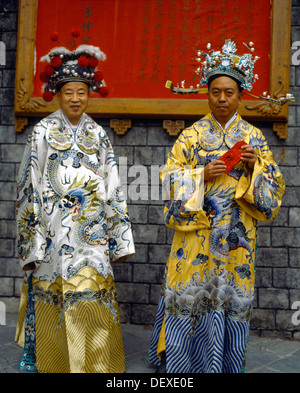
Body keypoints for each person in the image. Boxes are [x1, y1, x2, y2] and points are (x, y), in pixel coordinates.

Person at [148, 40, 285, 373]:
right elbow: (167, 179)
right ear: (206, 94)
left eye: (229, 92)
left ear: (240, 95)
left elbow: (275, 189)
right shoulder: (191, 137)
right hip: (195, 236)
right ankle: (182, 367)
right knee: (189, 296)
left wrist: (255, 168)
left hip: (237, 237)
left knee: (229, 299)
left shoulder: (254, 138)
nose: (222, 99)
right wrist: (200, 175)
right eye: (215, 92)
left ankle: (224, 364)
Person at [15, 34, 135, 373]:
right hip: (53, 232)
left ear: (89, 94)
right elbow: (28, 187)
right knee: (56, 292)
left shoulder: (97, 134)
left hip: (92, 232)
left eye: (81, 92)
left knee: (92, 290)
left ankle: (98, 364)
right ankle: (58, 363)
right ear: (57, 94)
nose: (75, 99)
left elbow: (113, 185)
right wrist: (31, 244)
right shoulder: (41, 131)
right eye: (68, 92)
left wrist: (119, 238)